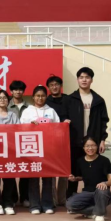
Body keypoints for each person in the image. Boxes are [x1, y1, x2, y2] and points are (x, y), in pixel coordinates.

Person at [63, 67, 109, 198]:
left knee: (93, 170)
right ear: (77, 79)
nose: (84, 80)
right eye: (81, 77)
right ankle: (71, 197)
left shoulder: (98, 100)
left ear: (91, 80)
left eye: (87, 77)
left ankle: (94, 196)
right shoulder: (70, 99)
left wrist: (102, 140)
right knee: (73, 170)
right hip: (74, 141)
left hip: (92, 142)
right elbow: (63, 117)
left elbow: (104, 121)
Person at [20, 85, 60, 215]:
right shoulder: (27, 111)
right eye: (37, 96)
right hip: (32, 148)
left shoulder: (51, 111)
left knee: (48, 177)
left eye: (43, 96)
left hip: (48, 148)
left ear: (46, 97)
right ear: (33, 97)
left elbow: (58, 128)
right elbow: (20, 128)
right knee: (33, 178)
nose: (40, 98)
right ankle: (35, 205)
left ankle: (47, 204)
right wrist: (30, 125)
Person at [67, 137, 111, 221]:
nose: (90, 148)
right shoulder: (80, 161)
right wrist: (74, 179)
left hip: (101, 192)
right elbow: (81, 177)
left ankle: (100, 215)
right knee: (70, 205)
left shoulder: (104, 160)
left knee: (101, 190)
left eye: (93, 145)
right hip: (87, 192)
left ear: (97, 146)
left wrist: (104, 183)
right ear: (83, 148)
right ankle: (97, 210)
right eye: (87, 146)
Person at [46, 75, 69, 207]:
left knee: (64, 170)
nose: (54, 87)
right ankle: (53, 199)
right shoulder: (46, 102)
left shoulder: (69, 100)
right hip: (51, 141)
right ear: (48, 88)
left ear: (61, 86)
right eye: (51, 85)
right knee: (52, 170)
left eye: (56, 84)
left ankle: (62, 198)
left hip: (66, 140)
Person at [8, 80, 31, 209]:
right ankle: (12, 198)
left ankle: (25, 197)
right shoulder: (5, 105)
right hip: (9, 143)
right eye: (15, 89)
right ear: (11, 91)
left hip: (25, 142)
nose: (18, 92)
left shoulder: (30, 107)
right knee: (11, 170)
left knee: (25, 171)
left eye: (20, 89)